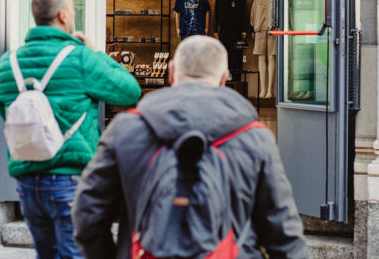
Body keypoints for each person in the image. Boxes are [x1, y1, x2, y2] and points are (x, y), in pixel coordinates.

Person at [72, 35, 307, 258]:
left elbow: (88, 212)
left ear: (171, 72)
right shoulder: (255, 138)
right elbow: (283, 232)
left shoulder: (126, 129)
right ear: (224, 78)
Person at [0, 0, 141, 259]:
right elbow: (129, 90)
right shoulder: (80, 57)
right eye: (73, 9)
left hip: (26, 180)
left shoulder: (8, 63)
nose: (74, 14)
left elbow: (8, 114)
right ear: (63, 15)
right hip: (69, 178)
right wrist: (96, 52)